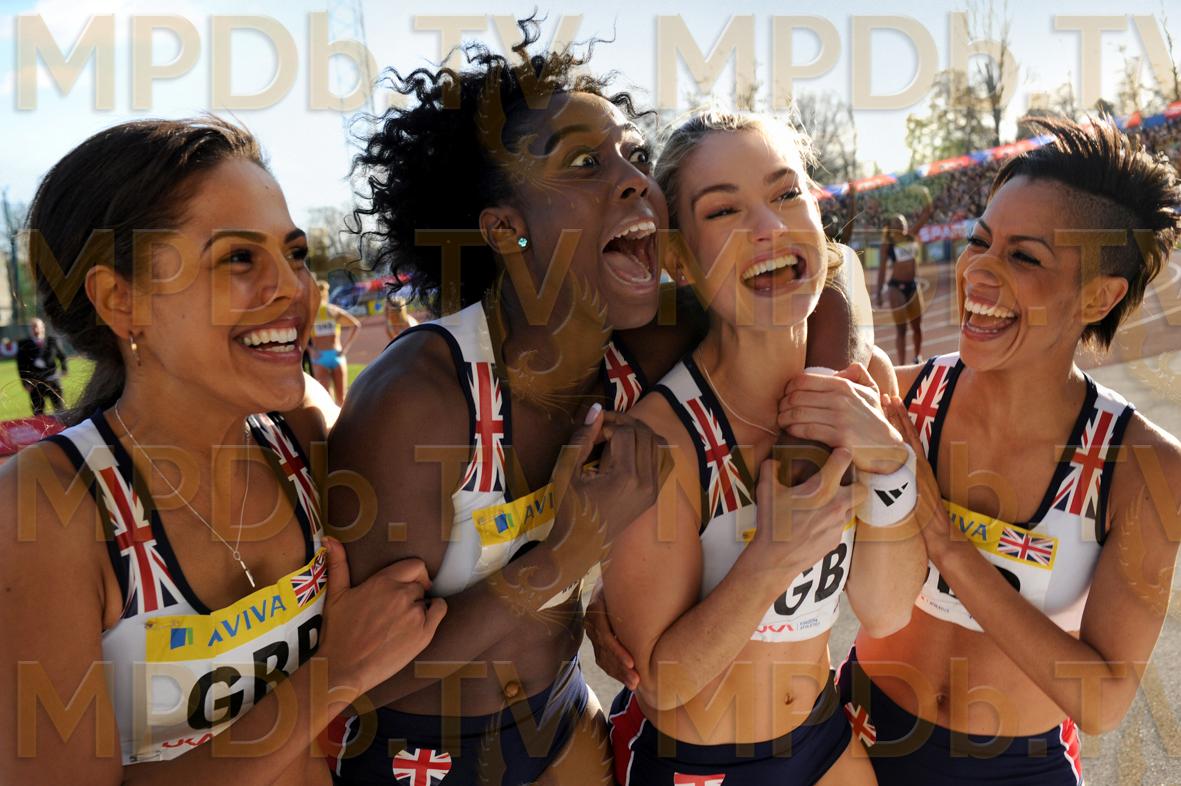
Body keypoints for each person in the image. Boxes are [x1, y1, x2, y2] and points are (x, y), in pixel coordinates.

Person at [325, 19, 872, 786]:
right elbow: (367, 678)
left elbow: (825, 276)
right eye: (585, 163)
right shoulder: (420, 399)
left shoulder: (643, 338)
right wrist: (566, 560)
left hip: (561, 719)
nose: (633, 180)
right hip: (424, 750)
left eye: (633, 155)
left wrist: (811, 427)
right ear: (506, 228)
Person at [0, 117, 444, 785]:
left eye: (294, 254)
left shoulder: (302, 430)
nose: (294, 289)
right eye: (239, 258)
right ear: (121, 301)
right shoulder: (48, 506)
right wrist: (332, 675)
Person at [841, 117, 1181, 785]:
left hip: (1014, 769)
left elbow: (1103, 700)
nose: (979, 271)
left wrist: (943, 540)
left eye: (1024, 257)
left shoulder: (1143, 468)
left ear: (1099, 295)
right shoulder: (897, 401)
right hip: (853, 743)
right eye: (980, 241)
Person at [599, 109, 928, 785]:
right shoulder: (661, 435)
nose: (769, 228)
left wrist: (891, 467)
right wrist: (771, 556)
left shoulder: (864, 383)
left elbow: (886, 609)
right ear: (678, 258)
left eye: (786, 193)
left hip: (822, 739)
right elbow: (662, 684)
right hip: (699, 765)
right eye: (724, 211)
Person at [875, 197, 934, 364]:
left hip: (913, 285)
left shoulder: (911, 236)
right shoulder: (887, 245)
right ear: (892, 228)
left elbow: (926, 214)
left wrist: (925, 197)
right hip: (896, 288)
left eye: (903, 223)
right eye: (897, 223)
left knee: (917, 326)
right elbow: (882, 270)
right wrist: (878, 293)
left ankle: (917, 357)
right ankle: (901, 365)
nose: (901, 225)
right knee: (901, 329)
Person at [309, 279, 361, 405]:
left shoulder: (314, 313)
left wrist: (311, 350)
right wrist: (345, 348)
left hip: (322, 356)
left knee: (329, 400)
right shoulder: (330, 311)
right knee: (339, 399)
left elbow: (299, 334)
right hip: (333, 355)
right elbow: (356, 325)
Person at [16, 317, 68, 415]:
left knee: (60, 410)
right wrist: (25, 383)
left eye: (37, 326)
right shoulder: (24, 344)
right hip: (35, 383)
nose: (35, 329)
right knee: (38, 412)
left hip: (52, 381)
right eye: (33, 327)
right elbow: (21, 365)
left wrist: (64, 369)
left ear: (43, 327)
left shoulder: (52, 341)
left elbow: (62, 356)